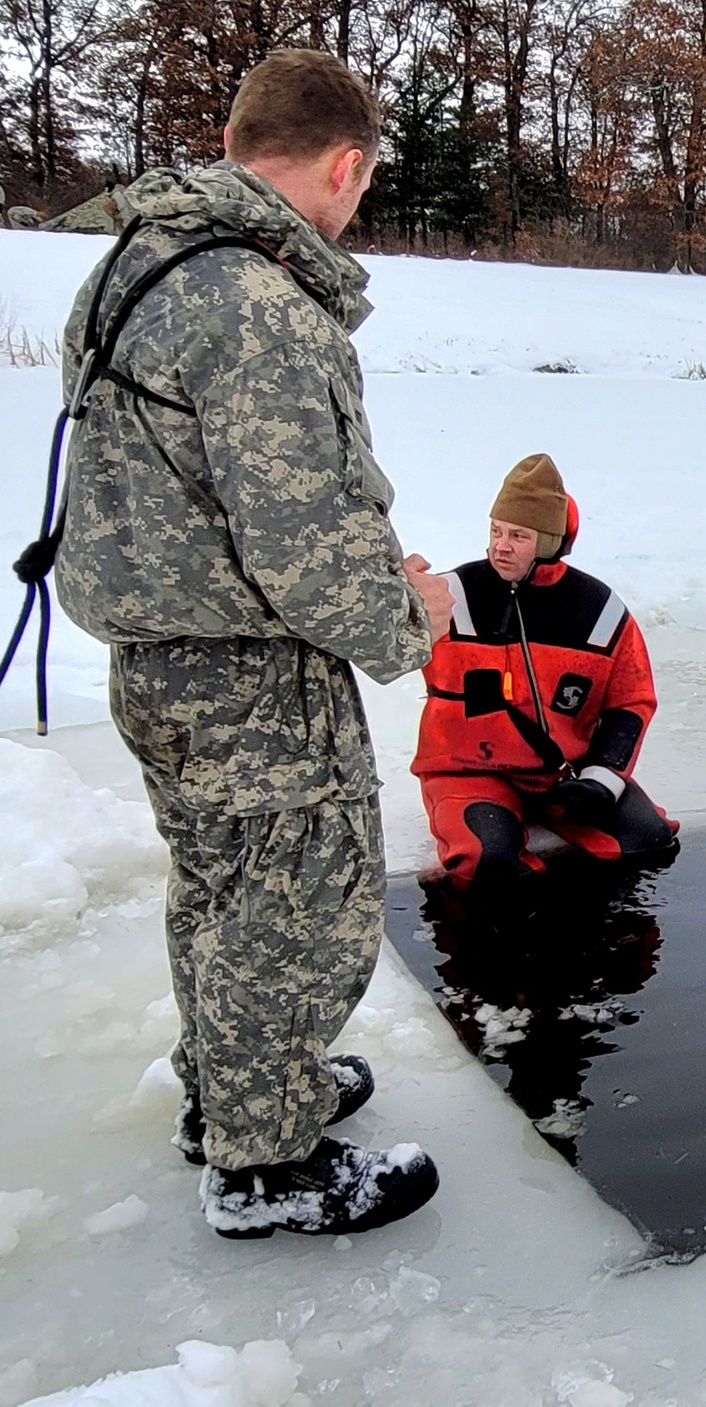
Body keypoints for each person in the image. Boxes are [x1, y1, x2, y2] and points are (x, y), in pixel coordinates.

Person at [54, 49, 454, 1240]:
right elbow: (298, 534)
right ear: (343, 165)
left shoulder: (139, 259)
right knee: (297, 902)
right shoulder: (258, 301)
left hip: (159, 659)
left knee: (221, 889)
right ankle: (267, 1166)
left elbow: (198, 489)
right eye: (363, 184)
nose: (356, 203)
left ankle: (229, 1094)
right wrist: (406, 615)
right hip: (249, 672)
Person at [412, 453, 678, 891]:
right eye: (496, 530)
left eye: (518, 535)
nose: (500, 545)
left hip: (563, 776)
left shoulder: (599, 612)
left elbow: (631, 702)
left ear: (550, 541)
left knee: (648, 842)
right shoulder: (447, 598)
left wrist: (602, 779)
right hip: (469, 774)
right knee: (488, 862)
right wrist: (397, 596)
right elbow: (376, 642)